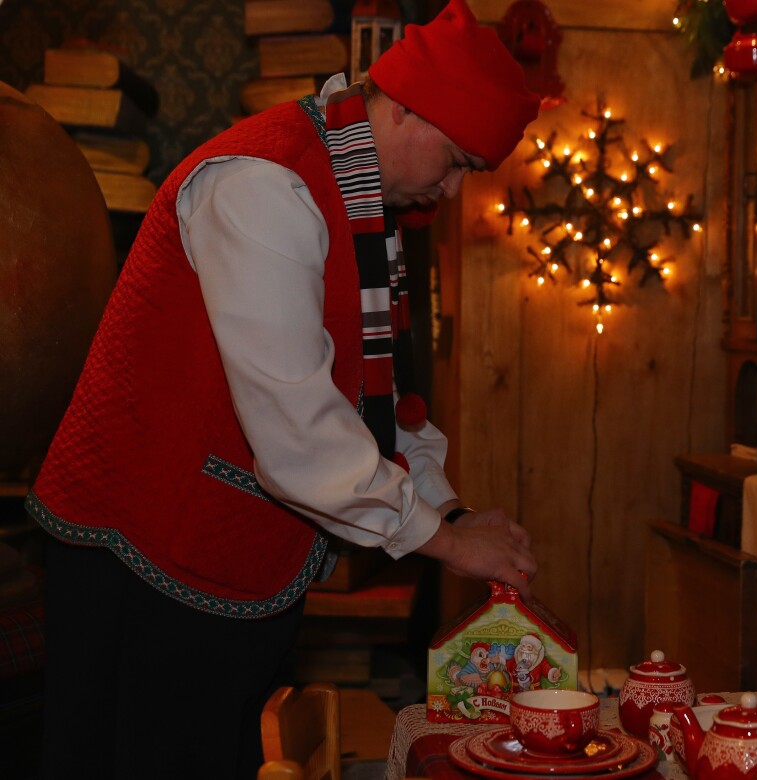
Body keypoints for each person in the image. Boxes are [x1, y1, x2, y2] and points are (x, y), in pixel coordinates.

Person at [25, 1, 541, 777]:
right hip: (143, 556)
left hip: (224, 560)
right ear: (406, 107)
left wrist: (450, 509)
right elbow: (300, 427)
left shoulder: (359, 193)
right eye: (458, 159)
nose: (453, 186)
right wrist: (445, 541)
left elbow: (375, 395)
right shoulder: (263, 184)